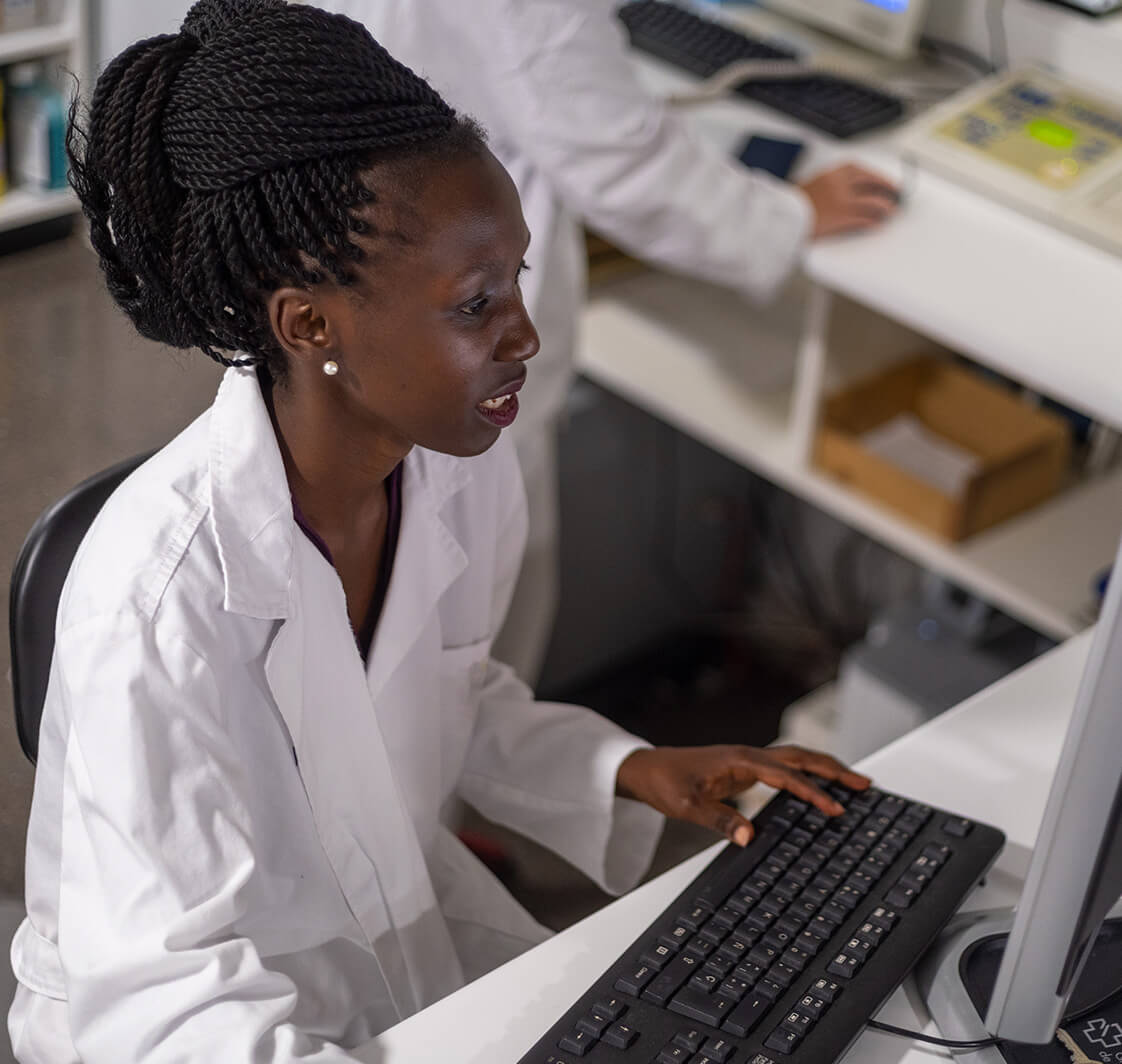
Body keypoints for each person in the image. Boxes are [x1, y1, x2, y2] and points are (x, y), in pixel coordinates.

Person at [7, 2, 871, 1060]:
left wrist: (627, 768)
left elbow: (447, 698)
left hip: (401, 956)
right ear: (309, 324)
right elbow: (164, 1011)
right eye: (475, 305)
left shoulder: (458, 473)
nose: (526, 332)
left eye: (517, 276)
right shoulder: (155, 603)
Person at [317, 0, 901, 684]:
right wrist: (785, 216)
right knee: (464, 654)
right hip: (445, 343)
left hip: (352, 296)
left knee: (398, 630)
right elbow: (620, 163)